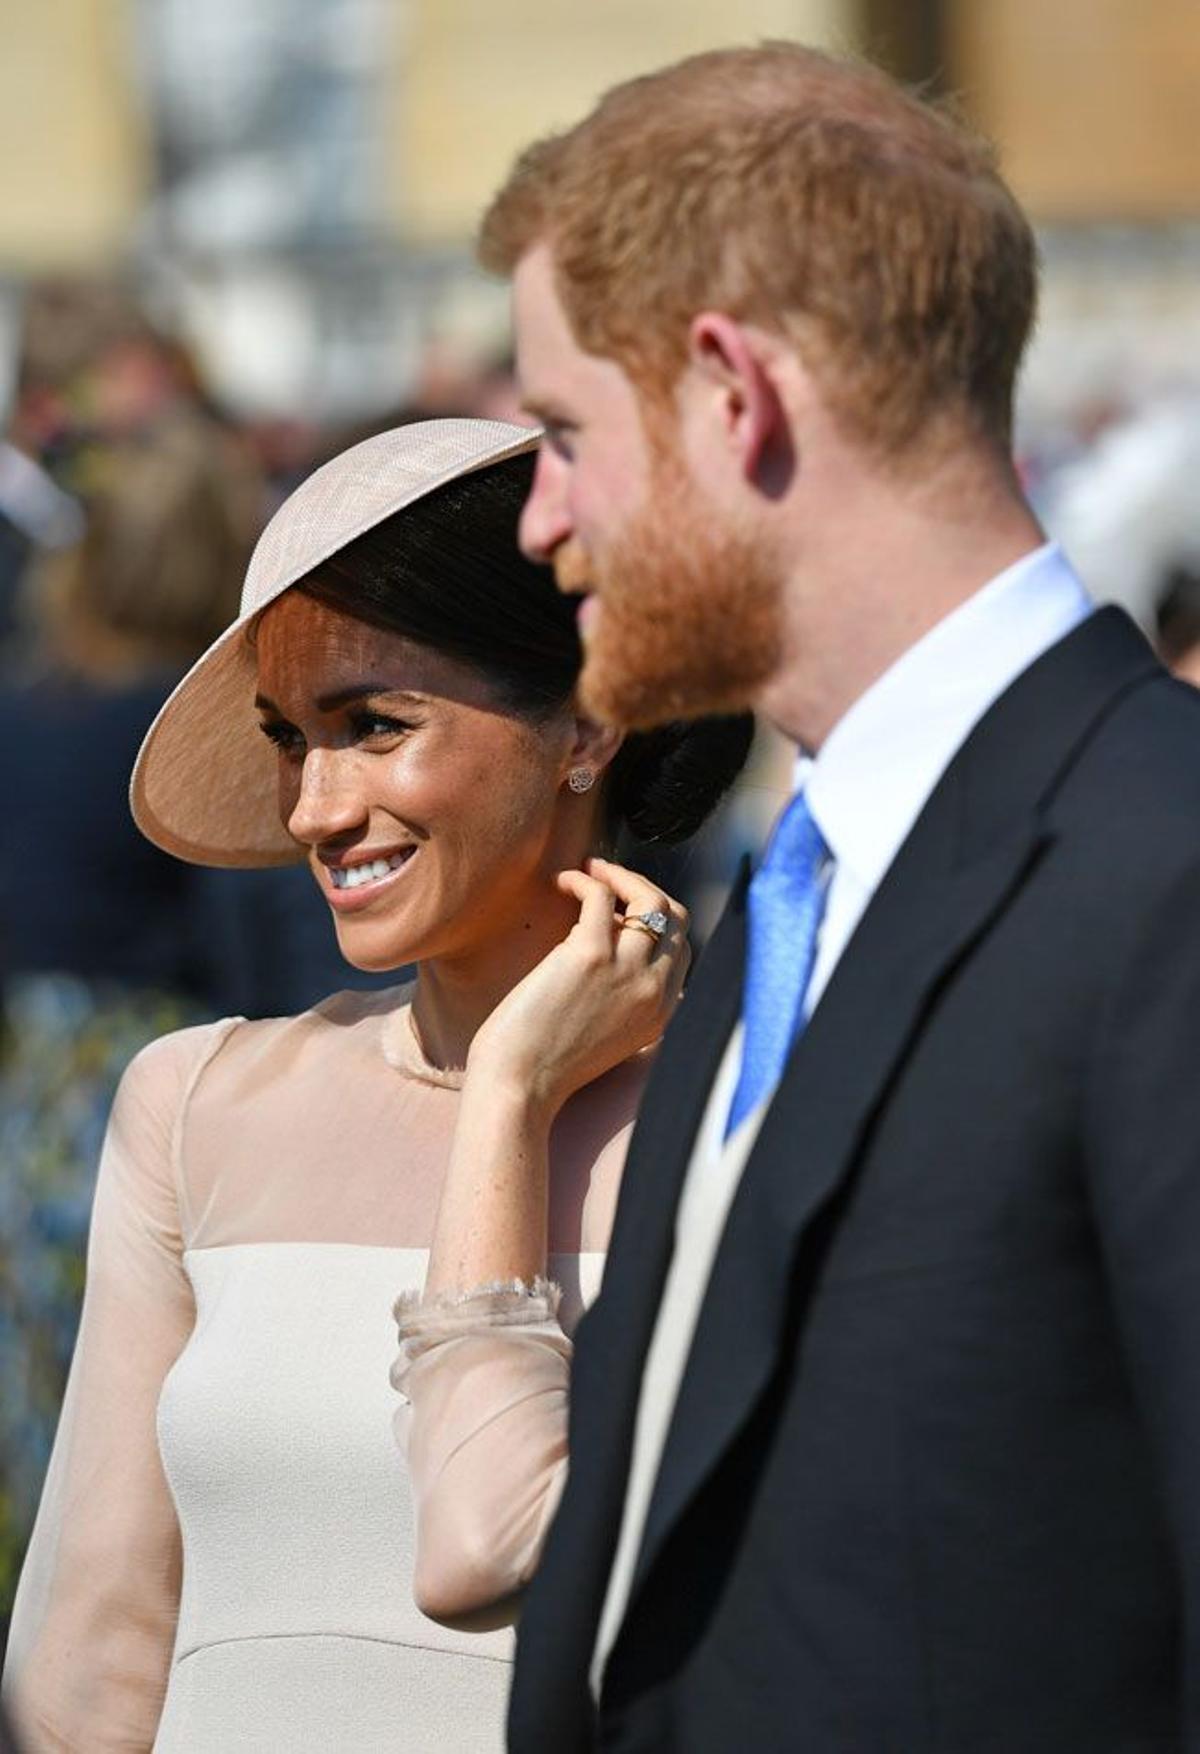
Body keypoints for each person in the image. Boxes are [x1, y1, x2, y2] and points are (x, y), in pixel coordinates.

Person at [480, 43, 1200, 1752]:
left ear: (734, 394)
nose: (537, 517)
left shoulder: (1161, 870)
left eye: (566, 432)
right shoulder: (800, 888)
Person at [1, 416, 753, 1750]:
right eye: (293, 738)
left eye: (374, 725)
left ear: (585, 726)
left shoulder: (747, 1123)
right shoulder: (195, 1106)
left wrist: (511, 1086)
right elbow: (89, 1665)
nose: (313, 808)